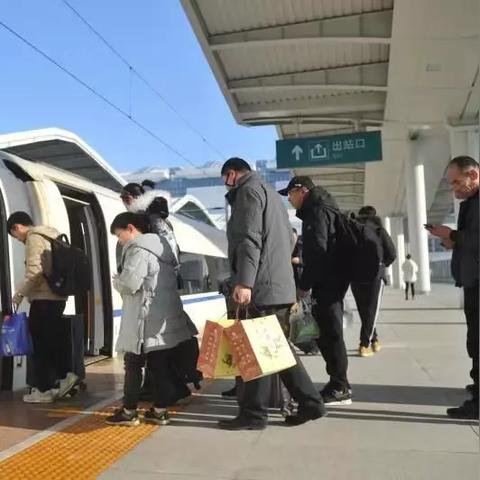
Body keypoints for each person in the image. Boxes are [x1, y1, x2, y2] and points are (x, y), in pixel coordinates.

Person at [219, 158, 326, 430]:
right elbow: (287, 239)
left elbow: (249, 239)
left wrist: (244, 282)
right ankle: (308, 403)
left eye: (225, 180)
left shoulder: (248, 191)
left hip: (261, 286)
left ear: (232, 174)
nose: (226, 185)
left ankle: (256, 414)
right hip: (276, 284)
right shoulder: (270, 193)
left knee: (259, 351)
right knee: (271, 350)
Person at [105, 212, 198, 426]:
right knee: (159, 366)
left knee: (133, 363)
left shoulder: (138, 249)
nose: (120, 241)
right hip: (163, 318)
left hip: (143, 320)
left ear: (131, 228)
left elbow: (130, 284)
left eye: (119, 235)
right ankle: (160, 411)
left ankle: (129, 412)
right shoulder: (164, 247)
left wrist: (117, 281)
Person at [280, 176, 352, 405]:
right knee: (327, 333)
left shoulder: (317, 212)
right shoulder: (323, 208)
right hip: (332, 278)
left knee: (331, 334)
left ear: (302, 191)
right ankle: (338, 384)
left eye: (290, 194)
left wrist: (304, 286)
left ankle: (340, 387)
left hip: (328, 281)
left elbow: (318, 252)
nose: (289, 199)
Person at [7, 212, 78, 403]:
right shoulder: (50, 234)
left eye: (15, 236)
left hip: (44, 298)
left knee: (41, 346)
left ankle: (44, 390)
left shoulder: (34, 238)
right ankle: (65, 377)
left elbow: (35, 272)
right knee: (52, 341)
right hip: (57, 297)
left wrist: (19, 294)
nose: (19, 239)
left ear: (17, 227)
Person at [428, 155, 479, 420]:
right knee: (475, 341)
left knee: (478, 342)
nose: (454, 188)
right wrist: (451, 241)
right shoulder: (471, 203)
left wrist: (452, 235)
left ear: (474, 175)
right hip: (472, 282)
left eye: (457, 182)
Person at [351, 206, 397, 357]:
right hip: (375, 276)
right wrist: (382, 266)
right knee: (372, 310)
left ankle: (374, 339)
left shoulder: (352, 230)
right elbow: (392, 253)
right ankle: (364, 344)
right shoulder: (379, 230)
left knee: (364, 310)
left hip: (355, 276)